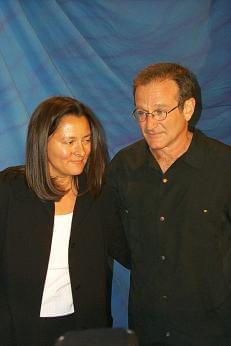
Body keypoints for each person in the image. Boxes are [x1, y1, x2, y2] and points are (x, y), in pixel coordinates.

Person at [107, 63, 231, 346]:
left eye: (160, 112)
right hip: (147, 328)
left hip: (213, 331)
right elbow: (116, 239)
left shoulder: (224, 167)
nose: (149, 124)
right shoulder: (123, 167)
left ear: (188, 109)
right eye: (142, 113)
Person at [0, 96, 129, 346]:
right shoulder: (9, 190)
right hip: (20, 328)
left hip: (84, 326)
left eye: (87, 140)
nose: (81, 151)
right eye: (69, 141)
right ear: (42, 142)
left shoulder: (97, 194)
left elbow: (126, 250)